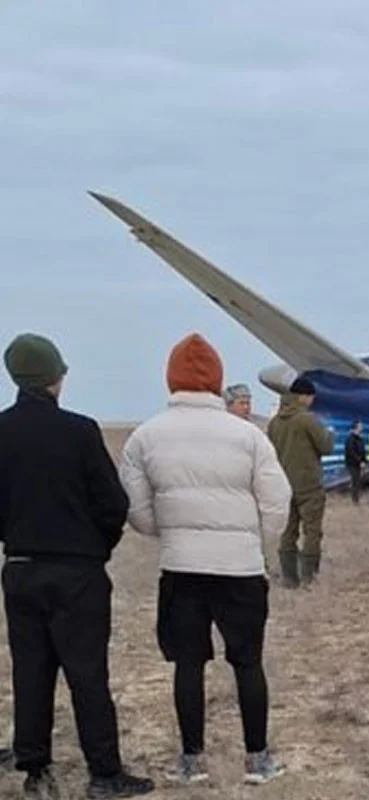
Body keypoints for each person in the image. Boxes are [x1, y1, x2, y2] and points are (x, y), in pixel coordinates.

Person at [119, 333, 290, 786]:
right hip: (240, 568)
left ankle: (192, 761)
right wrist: (256, 542)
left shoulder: (145, 436)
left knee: (188, 664)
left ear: (170, 379)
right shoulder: (248, 436)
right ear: (217, 381)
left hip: (181, 568)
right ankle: (258, 759)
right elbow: (277, 500)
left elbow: (135, 508)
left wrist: (171, 532)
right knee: (248, 662)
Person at [0, 333, 154, 798]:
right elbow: (112, 504)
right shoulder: (80, 431)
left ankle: (35, 769)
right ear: (54, 377)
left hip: (20, 568)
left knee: (30, 669)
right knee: (87, 672)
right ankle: (104, 774)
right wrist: (96, 548)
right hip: (77, 573)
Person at [266, 377, 334, 588]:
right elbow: (325, 447)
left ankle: (289, 577)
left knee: (288, 531)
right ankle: (309, 578)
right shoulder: (306, 419)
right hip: (308, 484)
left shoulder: (275, 422)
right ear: (303, 396)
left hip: (283, 484)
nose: (313, 400)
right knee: (312, 531)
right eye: (311, 396)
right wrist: (329, 433)